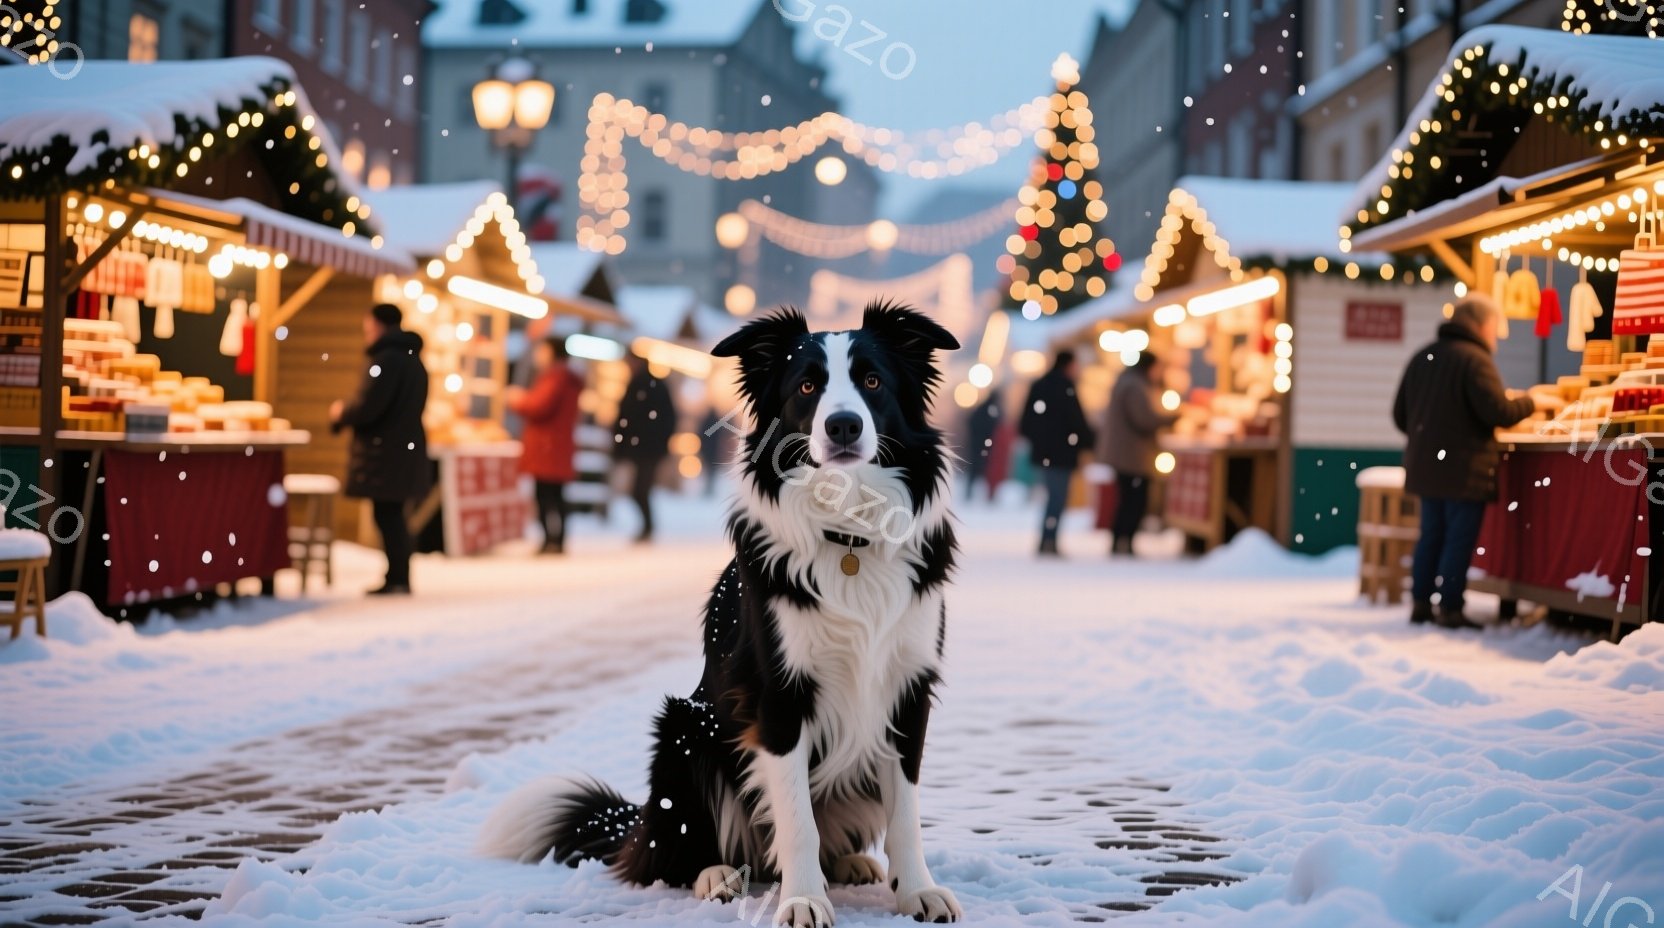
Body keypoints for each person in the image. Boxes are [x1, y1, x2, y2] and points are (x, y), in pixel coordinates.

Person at [1393, 294, 1539, 629]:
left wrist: (1428, 439)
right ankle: (1451, 607)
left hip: (1426, 469)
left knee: (1431, 535)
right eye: (1494, 327)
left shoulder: (1422, 357)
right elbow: (1498, 412)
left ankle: (1420, 602)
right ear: (1478, 324)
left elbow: (1400, 415)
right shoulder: (1475, 361)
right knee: (1457, 540)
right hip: (1464, 470)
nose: (1496, 336)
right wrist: (1531, 402)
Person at [330, 303, 429, 595]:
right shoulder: (413, 359)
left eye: (368, 326)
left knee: (388, 515)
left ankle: (397, 577)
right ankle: (397, 575)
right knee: (393, 513)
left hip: (386, 451)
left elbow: (369, 406)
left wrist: (341, 413)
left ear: (378, 325)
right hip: (403, 447)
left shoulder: (386, 360)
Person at [506, 337, 583, 554]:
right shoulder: (566, 377)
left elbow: (540, 406)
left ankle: (552, 539)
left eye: (542, 350)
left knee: (545, 495)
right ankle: (556, 539)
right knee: (556, 495)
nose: (538, 355)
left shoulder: (555, 377)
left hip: (547, 446)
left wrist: (518, 400)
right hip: (557, 445)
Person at [1018, 350, 1095, 556]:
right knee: (1058, 498)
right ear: (1068, 365)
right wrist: (1088, 442)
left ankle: (1047, 539)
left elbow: (1025, 422)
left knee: (1052, 495)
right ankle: (1049, 540)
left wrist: (1039, 441)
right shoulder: (1066, 387)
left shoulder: (1039, 385)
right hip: (1062, 453)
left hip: (1045, 452)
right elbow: (1076, 420)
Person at [1102, 353, 1178, 556]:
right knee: (1134, 500)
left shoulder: (1128, 382)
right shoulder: (1136, 386)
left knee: (1127, 499)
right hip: (1132, 455)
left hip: (1126, 453)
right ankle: (1124, 540)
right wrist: (1171, 419)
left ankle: (1120, 540)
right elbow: (1144, 419)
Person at [614, 356, 676, 542]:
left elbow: (631, 417)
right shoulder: (642, 385)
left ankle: (648, 527)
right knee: (639, 489)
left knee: (640, 489)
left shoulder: (648, 386)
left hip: (647, 447)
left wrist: (652, 438)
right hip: (643, 446)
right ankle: (647, 526)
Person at [963, 389, 1002, 502]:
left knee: (975, 468)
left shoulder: (981, 408)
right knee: (986, 468)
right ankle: (988, 495)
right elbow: (994, 426)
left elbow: (971, 422)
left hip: (977, 443)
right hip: (986, 444)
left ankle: (970, 492)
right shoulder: (993, 410)